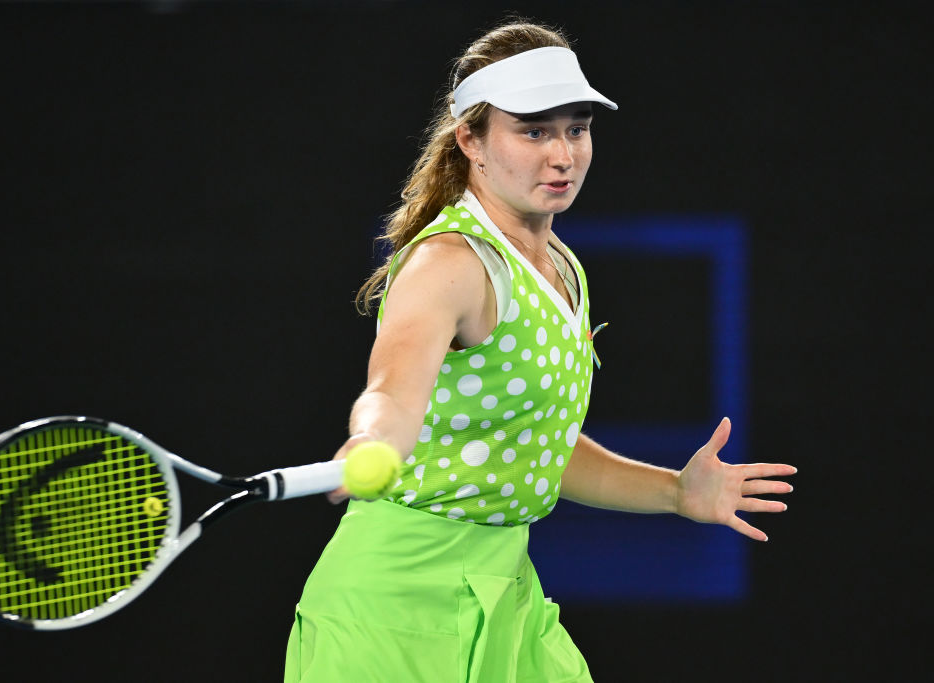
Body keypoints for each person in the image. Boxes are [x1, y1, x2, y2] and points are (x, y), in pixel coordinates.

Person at [284, 19, 795, 683]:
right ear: (470, 139)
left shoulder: (562, 266)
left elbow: (541, 448)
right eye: (533, 131)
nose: (562, 155)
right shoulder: (448, 263)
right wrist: (374, 440)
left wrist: (674, 492)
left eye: (576, 129)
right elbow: (392, 390)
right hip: (389, 611)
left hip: (507, 599)